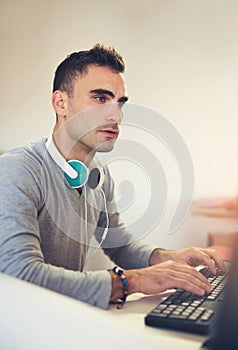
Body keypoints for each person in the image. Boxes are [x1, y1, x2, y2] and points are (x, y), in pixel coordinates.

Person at [0, 44, 225, 309]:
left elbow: (119, 246)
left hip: (65, 316)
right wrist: (133, 281)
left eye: (119, 103)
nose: (116, 115)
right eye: (100, 99)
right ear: (61, 103)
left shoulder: (98, 174)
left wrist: (169, 258)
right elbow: (21, 274)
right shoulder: (17, 170)